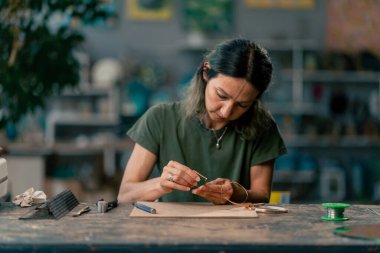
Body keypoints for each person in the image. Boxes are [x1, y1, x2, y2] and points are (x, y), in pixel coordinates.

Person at [118, 38, 287, 204]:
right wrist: (161, 185)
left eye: (243, 104)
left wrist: (236, 193)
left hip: (237, 230)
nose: (226, 111)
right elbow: (125, 195)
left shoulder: (262, 126)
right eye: (221, 95)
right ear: (206, 72)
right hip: (171, 229)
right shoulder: (160, 118)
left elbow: (262, 194)